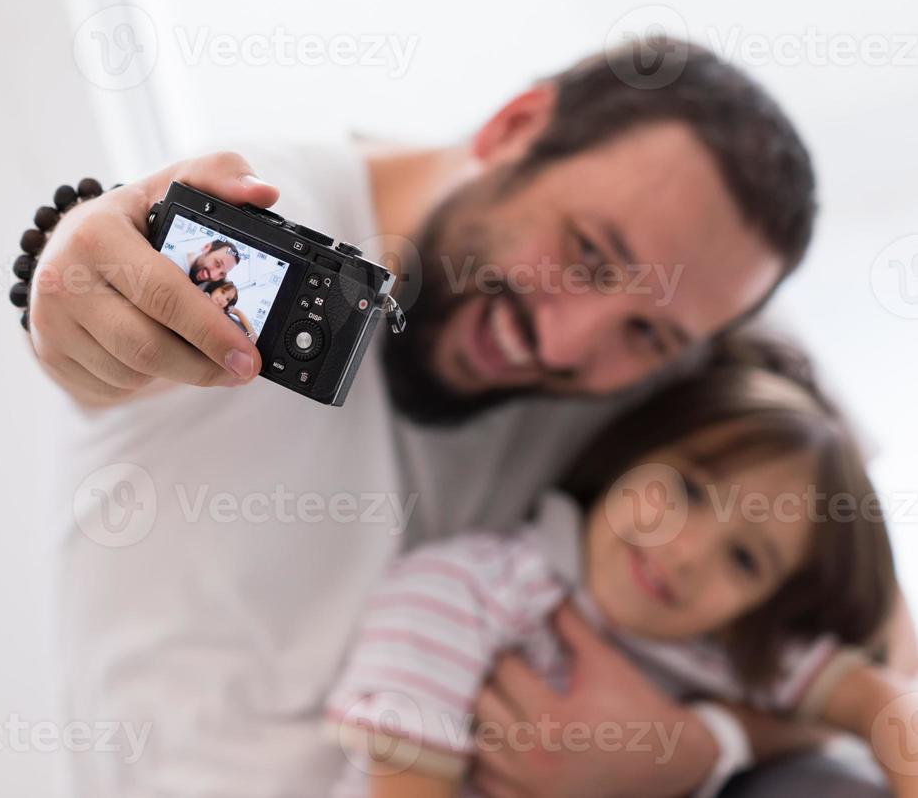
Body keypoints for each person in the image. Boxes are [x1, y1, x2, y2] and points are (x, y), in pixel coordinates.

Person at [29, 37, 911, 797]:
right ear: (514, 127)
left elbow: (884, 655)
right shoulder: (277, 216)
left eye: (647, 332)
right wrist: (71, 278)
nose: (564, 345)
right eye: (588, 257)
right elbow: (99, 288)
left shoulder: (694, 314)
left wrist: (697, 748)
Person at [328, 334, 909, 797]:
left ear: (769, 598)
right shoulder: (461, 593)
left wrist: (717, 740)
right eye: (688, 490)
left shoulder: (733, 645)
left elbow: (886, 705)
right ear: (635, 451)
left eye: (744, 558)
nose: (684, 553)